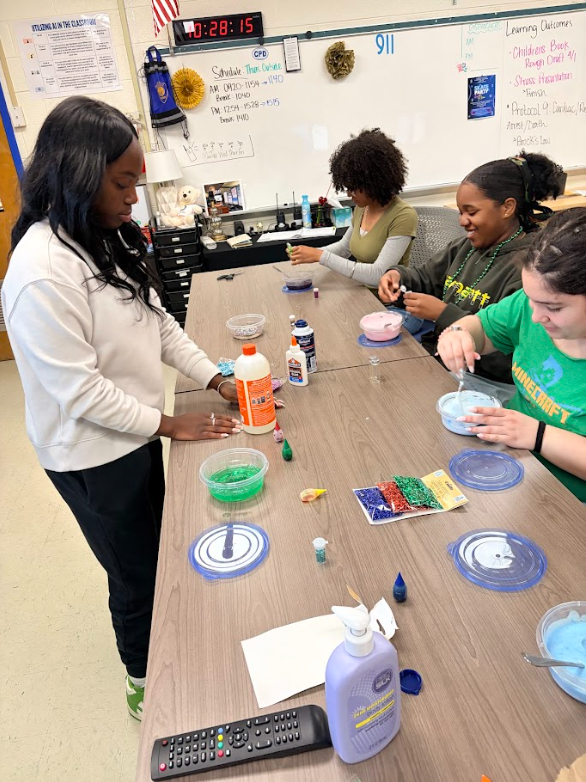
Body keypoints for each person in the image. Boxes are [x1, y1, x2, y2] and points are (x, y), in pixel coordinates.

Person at [2, 96, 242, 721]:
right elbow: (78, 392)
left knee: (158, 548)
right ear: (78, 175)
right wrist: (170, 424)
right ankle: (144, 683)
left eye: (135, 181)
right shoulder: (41, 270)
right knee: (134, 573)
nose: (133, 196)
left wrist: (214, 377)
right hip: (90, 452)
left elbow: (157, 324)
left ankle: (172, 636)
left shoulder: (103, 237)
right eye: (123, 182)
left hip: (130, 434)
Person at [437, 208, 586, 503]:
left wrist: (538, 435)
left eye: (554, 308)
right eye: (531, 300)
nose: (535, 317)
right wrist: (458, 333)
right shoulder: (534, 304)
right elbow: (481, 327)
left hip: (564, 507)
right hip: (512, 464)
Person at [378, 152, 563, 385]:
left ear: (507, 207)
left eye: (471, 212)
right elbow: (425, 276)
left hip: (485, 380)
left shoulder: (531, 269)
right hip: (440, 360)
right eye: (461, 212)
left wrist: (443, 314)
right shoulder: (465, 247)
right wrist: (396, 276)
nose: (462, 221)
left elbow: (511, 357)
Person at [289, 129, 417, 287]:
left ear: (373, 182)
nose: (349, 194)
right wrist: (308, 253)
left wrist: (320, 256)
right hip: (360, 292)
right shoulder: (362, 208)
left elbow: (379, 275)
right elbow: (344, 248)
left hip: (390, 303)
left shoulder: (403, 216)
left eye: (353, 188)